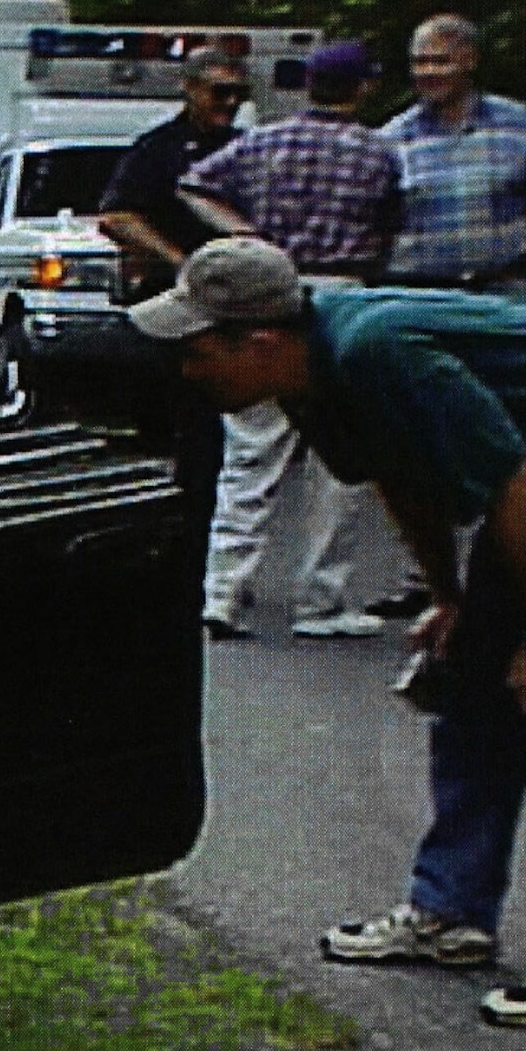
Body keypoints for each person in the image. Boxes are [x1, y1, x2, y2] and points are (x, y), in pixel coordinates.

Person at [136, 237, 526, 1026]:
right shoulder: (311, 378)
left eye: (197, 353)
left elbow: (516, 482)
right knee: (470, 684)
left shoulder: (375, 351)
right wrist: (451, 598)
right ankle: (453, 912)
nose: (186, 372)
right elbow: (402, 476)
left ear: (259, 343)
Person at [174, 40, 407, 639]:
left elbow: (193, 185)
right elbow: (393, 226)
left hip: (266, 292)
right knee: (341, 460)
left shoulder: (264, 140)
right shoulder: (379, 151)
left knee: (252, 453)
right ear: (361, 88)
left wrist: (244, 231)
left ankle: (221, 593)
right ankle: (319, 602)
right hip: (344, 299)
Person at [381, 13, 526, 294]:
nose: (428, 72)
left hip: (510, 293)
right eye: (419, 62)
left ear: (470, 61)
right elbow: (378, 229)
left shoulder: (520, 123)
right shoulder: (392, 137)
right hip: (424, 299)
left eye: (440, 61)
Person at [98, 47, 249, 301]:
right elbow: (119, 216)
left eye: (240, 94)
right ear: (191, 88)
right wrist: (178, 260)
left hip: (243, 280)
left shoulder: (249, 146)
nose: (231, 102)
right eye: (220, 92)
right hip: (174, 286)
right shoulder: (158, 149)